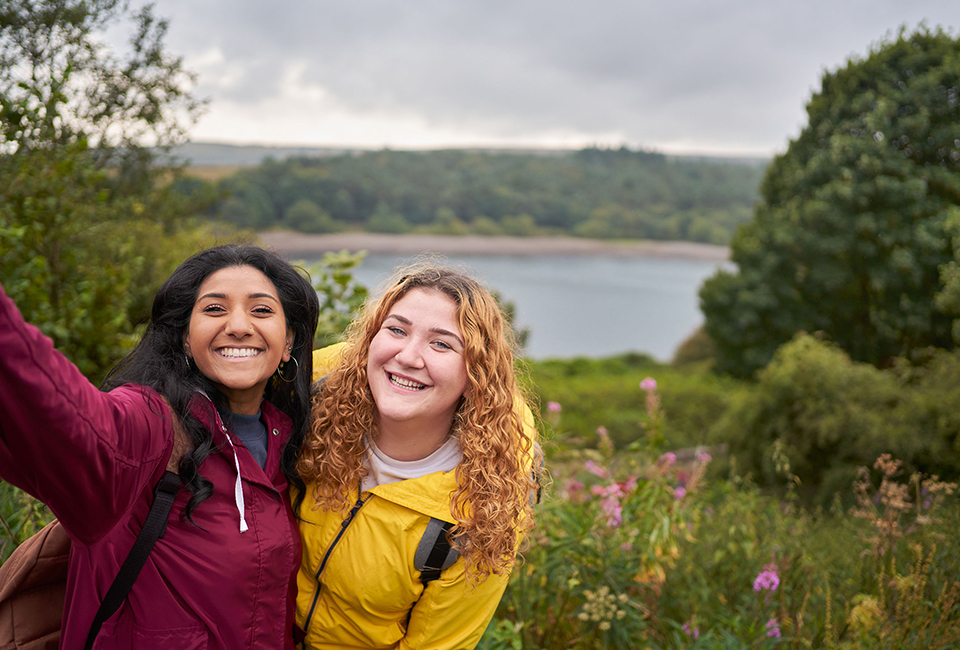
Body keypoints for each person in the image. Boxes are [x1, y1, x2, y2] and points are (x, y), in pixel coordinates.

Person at [0, 245, 319, 648]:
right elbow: (71, 424)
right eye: (214, 309)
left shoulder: (293, 439)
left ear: (288, 340)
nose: (239, 326)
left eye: (261, 311)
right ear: (185, 338)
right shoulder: (151, 424)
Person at [295, 265, 540, 650]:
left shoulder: (485, 506)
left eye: (441, 344)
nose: (407, 356)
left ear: (476, 374)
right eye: (396, 329)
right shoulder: (317, 393)